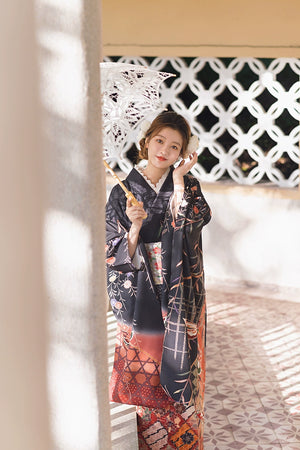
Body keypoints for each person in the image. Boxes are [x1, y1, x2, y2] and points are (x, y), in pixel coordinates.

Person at [105, 111, 211, 449]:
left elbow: (194, 226)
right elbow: (111, 249)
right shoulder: (123, 192)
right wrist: (134, 227)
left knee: (184, 368)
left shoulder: (187, 183)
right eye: (159, 140)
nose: (164, 150)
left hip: (181, 289)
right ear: (147, 140)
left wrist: (179, 181)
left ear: (182, 153)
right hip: (141, 291)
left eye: (174, 146)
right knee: (148, 371)